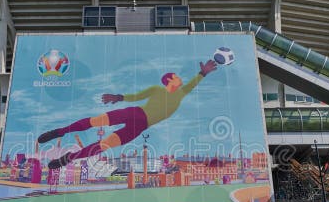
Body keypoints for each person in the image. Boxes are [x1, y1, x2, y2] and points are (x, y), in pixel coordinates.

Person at [38, 60, 218, 169]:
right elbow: (137, 96)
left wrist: (203, 73)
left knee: (104, 145)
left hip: (140, 127)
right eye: (177, 77)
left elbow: (192, 84)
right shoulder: (156, 89)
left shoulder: (181, 93)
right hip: (135, 113)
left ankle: (67, 158)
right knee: (96, 121)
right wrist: (119, 97)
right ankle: (60, 131)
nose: (180, 80)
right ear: (170, 80)